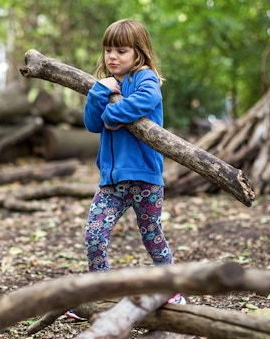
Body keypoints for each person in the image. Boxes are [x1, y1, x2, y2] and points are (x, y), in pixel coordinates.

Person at [67, 19, 184, 320]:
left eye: (121, 50)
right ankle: (99, 294)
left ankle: (172, 289)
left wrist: (114, 114)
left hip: (145, 179)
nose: (112, 57)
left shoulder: (145, 77)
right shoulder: (106, 84)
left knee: (152, 235)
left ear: (138, 53)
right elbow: (93, 123)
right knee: (94, 235)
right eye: (108, 50)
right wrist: (98, 92)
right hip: (111, 183)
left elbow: (148, 99)